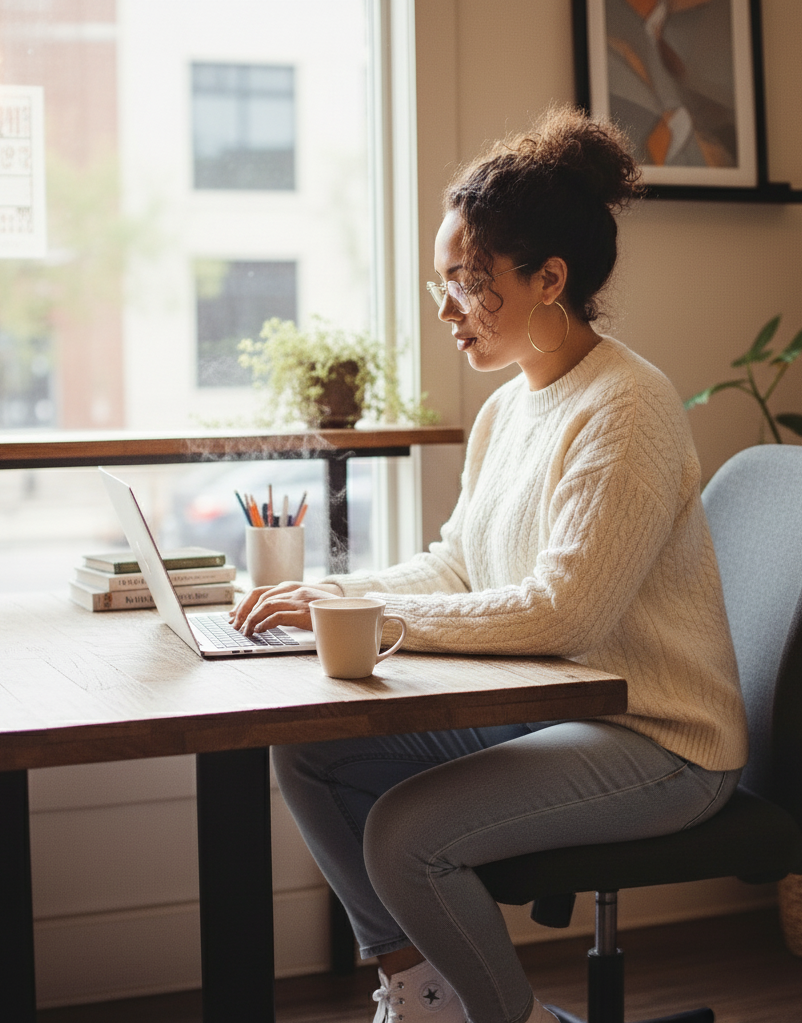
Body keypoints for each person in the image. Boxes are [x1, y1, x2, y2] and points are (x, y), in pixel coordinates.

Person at [230, 106, 749, 1023]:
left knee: (406, 834)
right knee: (310, 746)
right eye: (443, 282)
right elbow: (458, 564)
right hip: (552, 712)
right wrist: (333, 596)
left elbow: (562, 615)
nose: (446, 309)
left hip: (660, 738)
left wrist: (366, 623)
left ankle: (498, 1017)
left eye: (469, 283)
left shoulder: (626, 406)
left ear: (550, 279)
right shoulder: (512, 409)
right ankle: (426, 996)